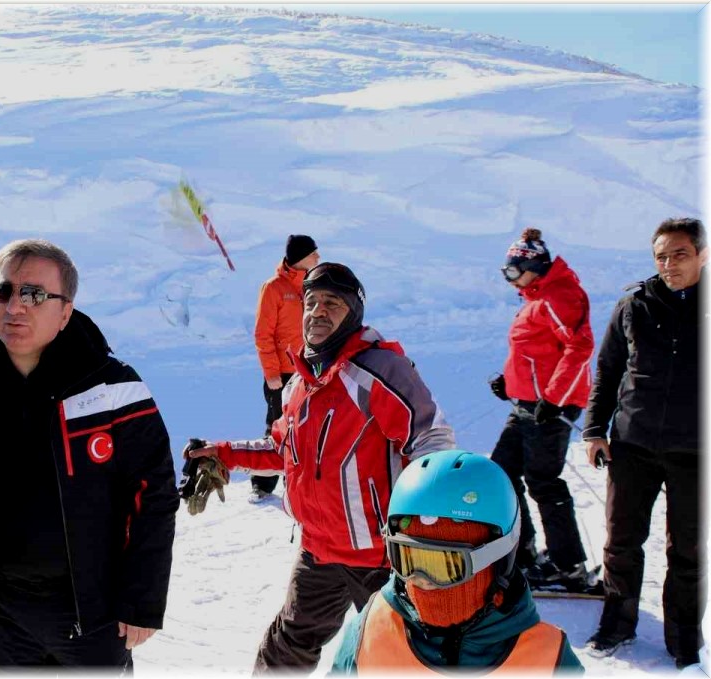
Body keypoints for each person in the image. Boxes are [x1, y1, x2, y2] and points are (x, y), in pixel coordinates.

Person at [186, 262, 455, 673]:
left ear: (353, 313)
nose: (317, 311)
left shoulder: (380, 370)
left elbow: (431, 440)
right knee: (288, 646)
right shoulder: (300, 384)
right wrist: (223, 453)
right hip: (319, 551)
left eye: (331, 303)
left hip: (381, 557)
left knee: (403, 656)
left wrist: (425, 526)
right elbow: (282, 450)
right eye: (310, 302)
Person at [0, 239, 178, 669]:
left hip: (92, 611)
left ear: (66, 310)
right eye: (4, 292)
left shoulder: (112, 386)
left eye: (34, 294)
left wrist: (142, 598)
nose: (15, 306)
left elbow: (154, 492)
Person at [331, 450, 583, 674]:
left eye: (446, 566)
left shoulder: (548, 660)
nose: (422, 581)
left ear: (497, 560)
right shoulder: (371, 630)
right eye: (407, 559)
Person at [582, 217, 706, 667]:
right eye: (661, 256)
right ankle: (617, 624)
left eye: (679, 254)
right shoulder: (635, 303)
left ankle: (683, 641)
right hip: (631, 445)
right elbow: (608, 370)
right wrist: (595, 429)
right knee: (620, 542)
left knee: (688, 550)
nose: (669, 264)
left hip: (696, 452)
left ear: (702, 254)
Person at [487, 227, 594, 589]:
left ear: (534, 266)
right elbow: (532, 353)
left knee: (543, 481)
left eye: (514, 271)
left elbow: (579, 347)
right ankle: (524, 548)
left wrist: (555, 398)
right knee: (500, 472)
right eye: (506, 272)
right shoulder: (536, 297)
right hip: (528, 405)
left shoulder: (559, 296)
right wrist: (508, 383)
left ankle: (568, 566)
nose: (510, 279)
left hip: (550, 408)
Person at [250, 234, 320, 503]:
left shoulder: (313, 283)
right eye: (314, 253)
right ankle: (263, 484)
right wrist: (271, 374)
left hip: (310, 369)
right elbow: (262, 334)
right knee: (277, 429)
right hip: (282, 374)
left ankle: (303, 480)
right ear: (301, 257)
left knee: (311, 426)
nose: (318, 258)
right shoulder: (274, 288)